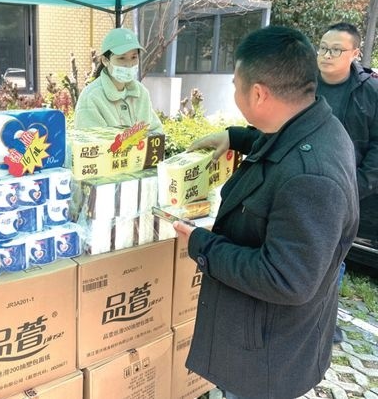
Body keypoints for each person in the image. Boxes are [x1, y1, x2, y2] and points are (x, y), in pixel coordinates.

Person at [173, 26, 359, 398]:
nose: (234, 92)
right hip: (264, 334)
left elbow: (286, 279)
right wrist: (234, 137)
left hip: (266, 356)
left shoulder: (310, 178)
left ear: (258, 93)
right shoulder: (315, 122)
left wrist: (203, 245)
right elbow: (278, 140)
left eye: (235, 85)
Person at [316, 23, 378, 335]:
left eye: (336, 50)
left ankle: (326, 320)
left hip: (346, 191)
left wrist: (358, 185)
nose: (327, 55)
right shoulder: (302, 84)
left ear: (354, 53)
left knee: (334, 256)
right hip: (302, 183)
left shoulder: (370, 92)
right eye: (323, 48)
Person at [73, 27, 163, 133]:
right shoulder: (91, 97)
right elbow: (89, 139)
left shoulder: (141, 93)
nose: (129, 64)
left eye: (134, 57)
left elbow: (155, 131)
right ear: (105, 60)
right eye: (121, 58)